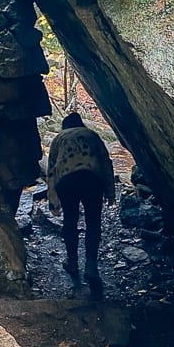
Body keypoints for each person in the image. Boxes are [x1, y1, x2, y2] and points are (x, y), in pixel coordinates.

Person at [47, 112, 115, 286]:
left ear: (64, 126)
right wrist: (110, 191)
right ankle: (91, 266)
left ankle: (72, 263)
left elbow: (52, 171)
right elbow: (106, 162)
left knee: (70, 221)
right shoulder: (92, 135)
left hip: (67, 180)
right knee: (93, 222)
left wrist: (53, 200)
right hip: (92, 178)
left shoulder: (59, 138)